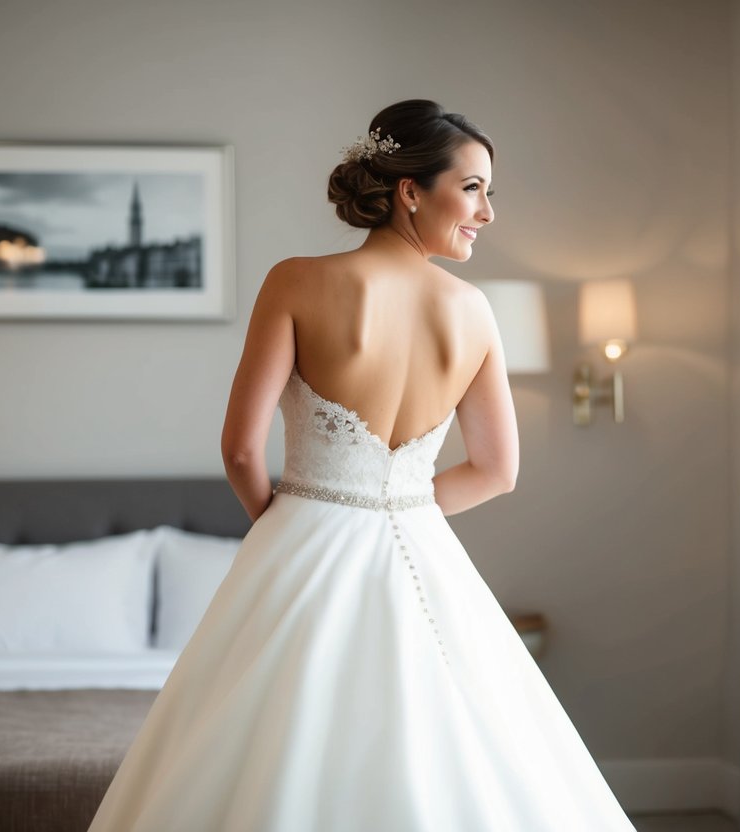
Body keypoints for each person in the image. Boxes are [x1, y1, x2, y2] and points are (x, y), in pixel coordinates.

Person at [87, 99, 637, 831]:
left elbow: (242, 450)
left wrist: (291, 522)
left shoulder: (296, 281)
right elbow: (495, 470)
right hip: (424, 547)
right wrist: (400, 507)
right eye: (472, 188)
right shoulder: (473, 312)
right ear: (411, 190)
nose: (487, 213)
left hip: (303, 540)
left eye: (488, 191)